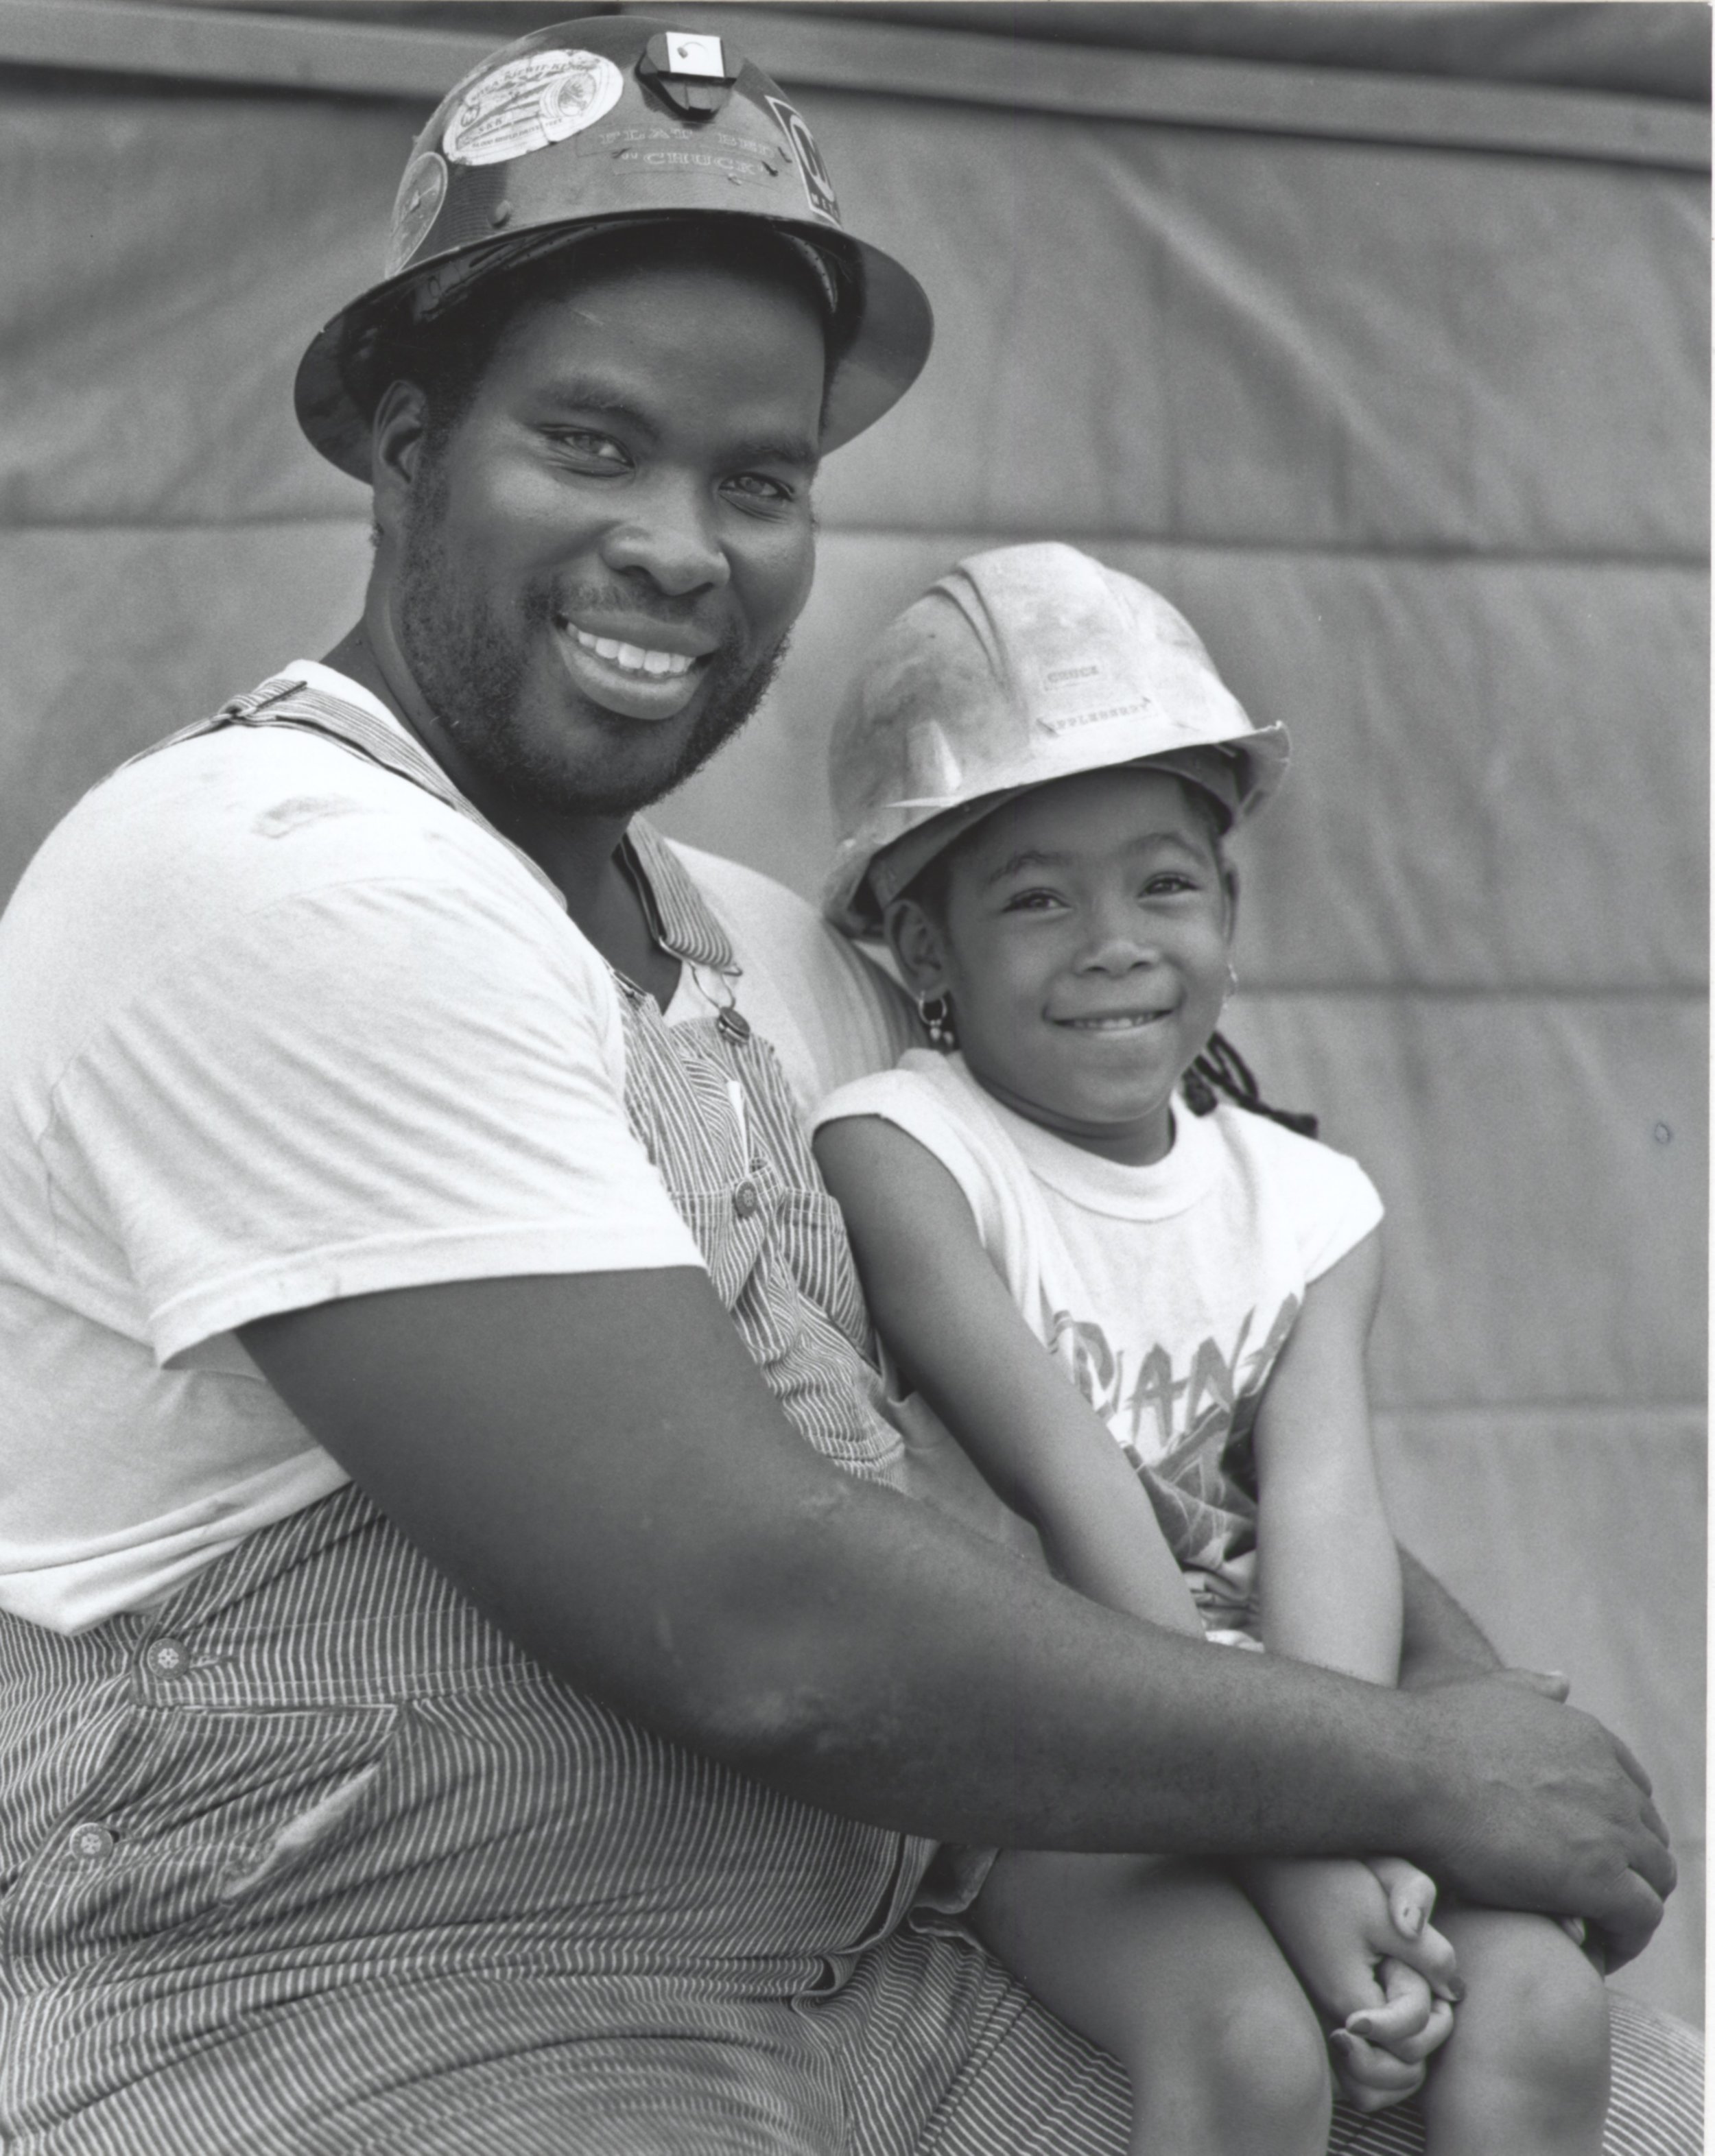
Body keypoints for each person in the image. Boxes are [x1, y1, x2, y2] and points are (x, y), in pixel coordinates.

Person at [0, 16, 1690, 2154]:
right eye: (590, 446)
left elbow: (1141, 1393)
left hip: (860, 1986)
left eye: (760, 480)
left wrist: (1436, 1698)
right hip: (369, 2017)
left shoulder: (764, 951)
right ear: (405, 444)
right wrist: (1396, 1774)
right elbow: (757, 1620)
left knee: (1612, 2097)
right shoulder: (262, 883)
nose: (683, 548)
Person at [811, 543, 1612, 2155]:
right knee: (1249, 2046)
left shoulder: (1311, 1204)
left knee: (1539, 2007)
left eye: (1162, 884)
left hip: (1291, 1728)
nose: (1112, 942)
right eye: (1034, 896)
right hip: (1045, 1736)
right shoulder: (904, 1155)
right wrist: (1305, 1859)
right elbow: (1067, 1495)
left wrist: (1360, 1805)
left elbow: (1323, 1515)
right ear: (922, 949)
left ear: (1228, 913)